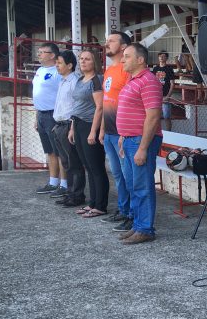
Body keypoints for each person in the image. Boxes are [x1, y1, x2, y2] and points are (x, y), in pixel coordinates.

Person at [116, 43, 163, 245]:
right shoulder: (132, 80)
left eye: (127, 56)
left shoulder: (149, 81)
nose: (122, 60)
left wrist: (143, 148)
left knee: (142, 186)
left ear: (140, 60)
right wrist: (123, 136)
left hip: (140, 141)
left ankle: (145, 229)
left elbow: (153, 117)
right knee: (132, 185)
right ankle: (137, 225)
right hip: (130, 140)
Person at [99, 31, 133, 232]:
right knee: (118, 175)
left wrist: (123, 133)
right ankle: (123, 209)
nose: (106, 44)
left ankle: (131, 214)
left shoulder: (126, 70)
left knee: (128, 176)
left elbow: (129, 103)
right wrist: (103, 129)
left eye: (111, 41)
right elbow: (106, 102)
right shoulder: (109, 70)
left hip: (122, 133)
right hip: (110, 132)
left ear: (123, 46)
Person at [69, 50, 108, 218]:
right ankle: (92, 203)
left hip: (90, 125)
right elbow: (76, 105)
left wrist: (93, 131)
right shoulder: (80, 80)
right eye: (81, 59)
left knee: (96, 167)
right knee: (88, 167)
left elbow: (100, 107)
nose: (83, 61)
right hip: (78, 124)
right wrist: (72, 128)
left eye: (87, 59)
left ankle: (100, 205)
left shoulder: (96, 80)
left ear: (95, 62)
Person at [32, 43, 67, 195]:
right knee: (50, 151)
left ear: (52, 55)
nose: (39, 54)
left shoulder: (58, 71)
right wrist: (37, 116)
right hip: (41, 114)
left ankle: (64, 185)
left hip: (53, 115)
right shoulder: (40, 70)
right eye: (38, 52)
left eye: (42, 52)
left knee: (60, 152)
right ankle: (53, 182)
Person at [51, 50, 85, 207]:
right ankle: (70, 193)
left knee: (74, 163)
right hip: (59, 125)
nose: (57, 66)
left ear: (70, 65)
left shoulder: (75, 81)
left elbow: (76, 107)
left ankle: (77, 195)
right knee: (66, 162)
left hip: (68, 125)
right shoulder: (63, 81)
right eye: (56, 63)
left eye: (60, 63)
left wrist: (71, 126)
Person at [153, 51, 176, 131]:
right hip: (156, 96)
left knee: (166, 117)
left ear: (166, 58)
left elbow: (172, 84)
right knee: (156, 117)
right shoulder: (155, 69)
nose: (161, 58)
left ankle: (169, 133)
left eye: (163, 56)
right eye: (160, 56)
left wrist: (168, 96)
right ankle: (156, 132)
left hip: (165, 95)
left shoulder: (169, 69)